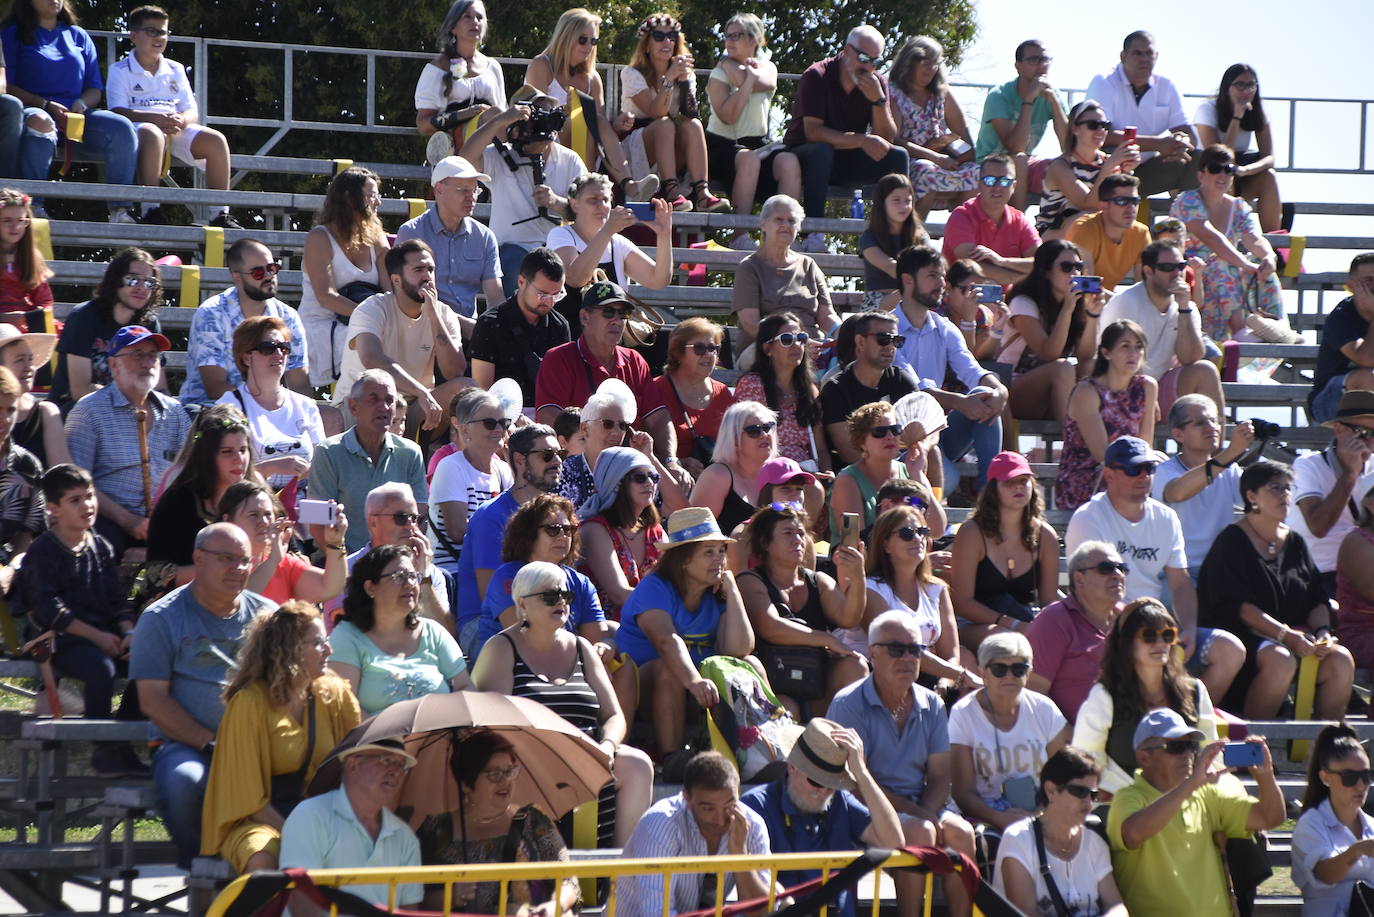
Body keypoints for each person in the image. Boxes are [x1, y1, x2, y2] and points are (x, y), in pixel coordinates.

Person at [472, 560, 652, 846]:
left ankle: (619, 874)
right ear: (522, 603)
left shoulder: (582, 647)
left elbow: (614, 716)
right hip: (526, 760)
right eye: (549, 596)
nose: (561, 603)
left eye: (565, 596)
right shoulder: (501, 648)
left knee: (637, 765)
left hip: (589, 752)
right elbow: (493, 727)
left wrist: (606, 748)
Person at [128, 523, 276, 867]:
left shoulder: (268, 616)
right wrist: (213, 744)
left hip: (257, 745)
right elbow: (152, 701)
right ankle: (202, 866)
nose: (238, 569)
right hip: (187, 746)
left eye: (245, 561)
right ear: (199, 559)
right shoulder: (161, 618)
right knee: (185, 782)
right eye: (227, 558)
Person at [827, 612, 974, 917]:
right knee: (921, 831)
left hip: (922, 803)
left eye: (916, 650)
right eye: (897, 649)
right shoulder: (847, 704)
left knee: (962, 833)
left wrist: (927, 812)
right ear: (873, 653)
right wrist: (922, 816)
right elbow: (855, 785)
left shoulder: (931, 703)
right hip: (865, 809)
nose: (908, 657)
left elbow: (940, 775)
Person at [201, 601, 360, 873]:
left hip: (321, 816)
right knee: (262, 858)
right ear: (290, 650)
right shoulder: (249, 703)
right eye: (319, 642)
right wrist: (300, 837)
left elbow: (356, 762)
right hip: (260, 821)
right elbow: (249, 801)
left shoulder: (334, 693)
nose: (329, 650)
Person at [1198, 460, 1356, 719]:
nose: (1285, 495)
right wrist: (1287, 636)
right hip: (1242, 638)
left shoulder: (1295, 542)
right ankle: (1253, 746)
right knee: (1280, 659)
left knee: (1340, 659)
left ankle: (1327, 748)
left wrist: (1323, 632)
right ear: (1252, 496)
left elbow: (1315, 599)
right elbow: (1241, 608)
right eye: (1275, 488)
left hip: (1295, 638)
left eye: (1287, 488)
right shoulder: (1231, 542)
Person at [19, 464, 138, 776]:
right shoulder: (44, 550)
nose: (87, 505)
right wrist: (97, 637)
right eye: (75, 500)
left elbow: (117, 599)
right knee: (101, 669)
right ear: (54, 509)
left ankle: (124, 741)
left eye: (89, 496)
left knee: (147, 664)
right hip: (59, 640)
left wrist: (127, 632)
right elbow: (48, 609)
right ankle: (103, 748)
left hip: (104, 636)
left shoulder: (100, 546)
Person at [1106, 708, 1283, 917]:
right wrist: (1191, 784)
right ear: (1145, 758)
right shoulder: (1127, 797)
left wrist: (1266, 776)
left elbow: (1270, 817)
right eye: (1176, 747)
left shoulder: (1206, 792)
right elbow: (1133, 834)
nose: (1187, 754)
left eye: (1190, 746)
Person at [616, 507, 756, 759]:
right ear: (683, 559)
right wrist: (694, 681)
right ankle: (673, 757)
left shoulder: (718, 590)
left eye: (722, 551)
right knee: (668, 670)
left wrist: (733, 591)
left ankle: (755, 752)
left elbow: (739, 648)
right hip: (645, 689)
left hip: (700, 690)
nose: (719, 560)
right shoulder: (655, 587)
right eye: (708, 552)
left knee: (749, 663)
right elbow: (666, 641)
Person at [741, 716, 905, 917]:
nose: (825, 791)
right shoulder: (755, 806)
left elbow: (894, 843)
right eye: (817, 781)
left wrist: (861, 773)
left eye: (833, 782)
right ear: (792, 767)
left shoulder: (840, 799)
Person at [1072, 596, 1236, 796]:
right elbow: (1086, 758)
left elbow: (1210, 752)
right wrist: (1122, 793)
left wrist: (1207, 779)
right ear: (1126, 643)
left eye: (1168, 635)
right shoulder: (1105, 695)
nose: (1160, 643)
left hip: (1188, 801)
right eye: (1149, 635)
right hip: (1124, 804)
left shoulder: (1195, 691)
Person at [416, 728, 582, 915]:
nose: (505, 781)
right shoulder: (436, 828)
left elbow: (570, 881)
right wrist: (451, 895)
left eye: (509, 771)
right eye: (494, 774)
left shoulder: (533, 820)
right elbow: (411, 898)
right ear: (465, 783)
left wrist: (554, 906)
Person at [3, 0, 138, 221]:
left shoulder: (78, 35)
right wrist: (44, 103)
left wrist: (82, 104)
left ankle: (120, 209)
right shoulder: (12, 33)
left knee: (122, 128)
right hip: (33, 111)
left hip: (77, 117)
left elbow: (94, 88)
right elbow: (7, 86)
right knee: (40, 120)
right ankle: (33, 207)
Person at [1064, 437, 1206, 647]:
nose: (1144, 476)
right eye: (1134, 469)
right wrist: (1140, 630)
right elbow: (1090, 593)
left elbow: (1181, 583)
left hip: (1153, 625)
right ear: (1109, 475)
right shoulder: (1088, 518)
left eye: (1149, 468)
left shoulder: (1166, 517)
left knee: (1228, 650)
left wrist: (1190, 630)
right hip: (1103, 630)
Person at [65, 324, 191, 556]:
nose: (146, 363)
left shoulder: (174, 412)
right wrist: (129, 521)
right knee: (96, 545)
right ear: (113, 364)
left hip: (164, 518)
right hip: (106, 519)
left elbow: (191, 471)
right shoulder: (89, 411)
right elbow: (78, 483)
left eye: (152, 356)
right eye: (137, 355)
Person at [106, 5, 237, 227]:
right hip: (143, 131)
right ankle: (151, 210)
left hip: (175, 129)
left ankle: (220, 214)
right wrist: (155, 120)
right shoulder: (120, 70)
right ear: (134, 36)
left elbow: (192, 110)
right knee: (152, 133)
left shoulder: (176, 69)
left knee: (216, 140)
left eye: (163, 32)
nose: (159, 37)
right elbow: (118, 112)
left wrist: (182, 120)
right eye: (152, 31)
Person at [891, 244, 1009, 487]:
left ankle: (991, 490)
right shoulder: (888, 329)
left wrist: (1000, 390)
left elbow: (971, 369)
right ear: (907, 280)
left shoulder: (944, 326)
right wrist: (958, 402)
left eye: (942, 276)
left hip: (939, 431)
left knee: (983, 394)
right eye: (933, 276)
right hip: (899, 437)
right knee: (949, 481)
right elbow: (913, 389)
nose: (942, 283)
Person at [780, 25, 908, 241]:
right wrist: (862, 140)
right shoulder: (817, 75)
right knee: (822, 151)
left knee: (897, 156)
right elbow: (813, 133)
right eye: (864, 57)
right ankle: (813, 235)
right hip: (805, 158)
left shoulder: (876, 82)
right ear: (847, 51)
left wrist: (878, 101)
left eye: (875, 61)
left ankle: (896, 238)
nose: (868, 66)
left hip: (846, 158)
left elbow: (886, 138)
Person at [738, 503, 868, 715]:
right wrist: (826, 639)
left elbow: (849, 618)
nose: (797, 539)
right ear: (765, 542)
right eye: (788, 533)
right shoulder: (749, 580)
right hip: (774, 681)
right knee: (788, 708)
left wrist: (858, 575)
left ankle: (850, 739)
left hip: (816, 679)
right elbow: (770, 627)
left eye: (800, 533)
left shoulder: (818, 581)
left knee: (856, 665)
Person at [533, 280, 678, 470]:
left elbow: (658, 418)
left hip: (628, 470)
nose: (617, 320)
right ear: (585, 317)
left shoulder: (635, 361)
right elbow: (549, 417)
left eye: (623, 314)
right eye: (608, 312)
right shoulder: (559, 358)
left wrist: (671, 461)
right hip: (578, 469)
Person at [331, 238, 468, 437]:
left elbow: (455, 371)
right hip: (363, 403)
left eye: (431, 270)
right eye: (419, 270)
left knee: (466, 388)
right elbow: (372, 358)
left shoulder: (442, 314)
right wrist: (422, 392)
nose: (427, 277)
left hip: (413, 406)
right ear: (396, 280)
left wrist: (433, 316)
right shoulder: (372, 308)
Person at [458, 89, 589, 296]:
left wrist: (556, 202)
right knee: (522, 274)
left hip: (556, 249)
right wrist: (497, 122)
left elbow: (587, 215)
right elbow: (462, 163)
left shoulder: (569, 160)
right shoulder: (500, 156)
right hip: (510, 251)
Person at [522, 8, 656, 204]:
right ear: (566, 37)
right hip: (547, 144)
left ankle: (629, 186)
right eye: (583, 40)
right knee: (583, 120)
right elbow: (536, 117)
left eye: (593, 41)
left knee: (597, 120)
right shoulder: (542, 65)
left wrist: (618, 125)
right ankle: (597, 188)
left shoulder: (592, 79)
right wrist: (564, 112)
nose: (588, 46)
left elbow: (598, 127)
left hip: (585, 150)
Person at [617, 750, 772, 917]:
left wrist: (740, 856)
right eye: (708, 808)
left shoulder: (752, 824)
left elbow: (763, 912)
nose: (720, 820)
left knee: (785, 898)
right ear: (687, 799)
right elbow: (656, 912)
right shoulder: (660, 822)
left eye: (729, 804)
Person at [279, 738, 423, 917]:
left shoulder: (405, 836)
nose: (396, 772)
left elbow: (409, 909)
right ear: (353, 765)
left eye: (402, 765)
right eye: (386, 760)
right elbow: (300, 897)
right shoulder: (310, 815)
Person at [456, 424, 564, 658]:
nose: (557, 461)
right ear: (520, 460)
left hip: (543, 614)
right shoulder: (491, 516)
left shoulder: (560, 516)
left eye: (559, 454)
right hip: (485, 624)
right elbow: (492, 598)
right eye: (547, 455)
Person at [330, 543, 471, 717]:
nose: (409, 584)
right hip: (375, 740)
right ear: (370, 587)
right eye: (398, 577)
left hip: (438, 737)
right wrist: (390, 739)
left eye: (413, 576)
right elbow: (344, 707)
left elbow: (465, 686)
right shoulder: (347, 637)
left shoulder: (433, 632)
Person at [948, 631, 1069, 831]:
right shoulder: (963, 714)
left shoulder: (1045, 709)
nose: (1010, 676)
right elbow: (963, 792)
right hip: (986, 816)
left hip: (1043, 810)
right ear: (983, 673)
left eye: (1019, 669)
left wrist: (1037, 816)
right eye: (999, 669)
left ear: (1029, 673)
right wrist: (1001, 819)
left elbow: (1063, 777)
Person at [1169, 143, 1285, 344]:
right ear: (1201, 175)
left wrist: (1269, 256)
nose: (1222, 175)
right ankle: (1239, 330)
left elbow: (1254, 237)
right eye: (1215, 169)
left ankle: (1274, 327)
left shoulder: (1239, 206)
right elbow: (1213, 239)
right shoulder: (1187, 200)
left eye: (1228, 169)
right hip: (1188, 270)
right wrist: (1246, 265)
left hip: (1226, 272)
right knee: (1223, 263)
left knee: (1265, 268)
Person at [993, 746, 1128, 916]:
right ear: (1051, 791)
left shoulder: (1094, 841)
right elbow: (1025, 914)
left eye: (1093, 795)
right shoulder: (1018, 840)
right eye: (1080, 791)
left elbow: (1116, 906)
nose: (1088, 803)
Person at [1098, 240, 1226, 417]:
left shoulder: (1187, 307)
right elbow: (1107, 361)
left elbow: (1191, 358)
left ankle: (1218, 444)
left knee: (1205, 370)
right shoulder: (1126, 302)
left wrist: (1183, 308)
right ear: (1148, 271)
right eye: (1167, 267)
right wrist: (1145, 394)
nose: (1176, 273)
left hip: (1159, 388)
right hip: (1119, 388)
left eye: (1181, 266)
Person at [474, 494, 612, 655]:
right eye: (552, 529)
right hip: (511, 668)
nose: (562, 536)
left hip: (565, 663)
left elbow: (596, 638)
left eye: (568, 530)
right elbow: (524, 637)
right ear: (528, 535)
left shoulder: (581, 583)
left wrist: (604, 648)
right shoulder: (509, 577)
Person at [308, 370, 428, 555]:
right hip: (339, 561)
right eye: (374, 399)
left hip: (395, 561)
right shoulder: (327, 452)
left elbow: (417, 518)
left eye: (389, 400)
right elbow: (317, 522)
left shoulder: (410, 453)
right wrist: (345, 567)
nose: (384, 407)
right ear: (353, 407)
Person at [619, 13, 729, 213]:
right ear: (647, 44)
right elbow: (655, 111)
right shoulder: (631, 73)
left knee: (693, 125)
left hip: (668, 143)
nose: (667, 41)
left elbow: (691, 113)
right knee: (664, 123)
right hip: (638, 144)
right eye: (659, 36)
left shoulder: (683, 71)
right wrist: (669, 79)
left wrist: (684, 81)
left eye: (672, 36)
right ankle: (671, 191)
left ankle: (703, 194)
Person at [181, 239, 311, 405]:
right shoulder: (211, 313)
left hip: (270, 408)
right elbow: (215, 387)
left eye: (272, 268)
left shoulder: (288, 317)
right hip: (213, 411)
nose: (269, 276)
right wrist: (262, 410)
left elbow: (299, 384)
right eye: (258, 272)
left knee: (331, 417)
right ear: (237, 277)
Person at [147, 403, 266, 585]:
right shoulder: (178, 501)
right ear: (207, 457)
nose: (239, 459)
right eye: (227, 452)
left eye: (243, 450)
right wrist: (225, 570)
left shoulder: (259, 495)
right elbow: (158, 574)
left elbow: (290, 554)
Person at [950, 451, 1059, 646]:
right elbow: (962, 603)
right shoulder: (972, 532)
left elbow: (1049, 602)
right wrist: (1012, 624)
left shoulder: (1046, 536)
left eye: (1024, 480)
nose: (1018, 486)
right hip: (973, 624)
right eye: (1009, 481)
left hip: (1025, 620)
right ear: (993, 489)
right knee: (1008, 643)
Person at [297, 167, 393, 387]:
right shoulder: (319, 237)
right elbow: (326, 296)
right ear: (350, 199)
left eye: (378, 196)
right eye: (371, 196)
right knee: (369, 344)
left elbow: (389, 292)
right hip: (321, 326)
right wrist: (369, 317)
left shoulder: (377, 237)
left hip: (364, 324)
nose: (377, 202)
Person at [705, 14, 799, 236]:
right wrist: (746, 79)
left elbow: (766, 82)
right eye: (727, 36)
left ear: (754, 39)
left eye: (736, 35)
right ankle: (740, 235)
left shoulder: (767, 67)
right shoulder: (719, 72)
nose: (729, 41)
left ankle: (785, 235)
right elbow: (728, 117)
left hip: (756, 144)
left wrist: (744, 77)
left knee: (789, 161)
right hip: (722, 146)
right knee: (749, 160)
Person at [858, 506, 972, 688]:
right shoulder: (871, 588)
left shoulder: (937, 589)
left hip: (929, 678)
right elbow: (900, 646)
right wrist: (958, 674)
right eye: (907, 533)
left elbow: (951, 652)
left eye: (922, 532)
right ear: (885, 544)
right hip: (884, 678)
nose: (917, 538)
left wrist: (946, 682)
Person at [547, 172, 672, 336]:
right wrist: (606, 232)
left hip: (610, 339)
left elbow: (659, 280)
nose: (601, 205)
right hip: (570, 336)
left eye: (606, 200)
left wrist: (664, 234)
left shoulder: (617, 242)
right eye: (593, 200)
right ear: (575, 204)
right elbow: (575, 278)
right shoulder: (561, 234)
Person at [215, 315, 328, 496]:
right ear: (246, 358)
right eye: (268, 348)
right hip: (249, 506)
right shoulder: (228, 407)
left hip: (302, 508)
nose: (278, 354)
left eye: (284, 348)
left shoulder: (306, 406)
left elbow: (324, 469)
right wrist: (271, 467)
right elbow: (217, 476)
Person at [999, 240, 1100, 429]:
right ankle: (1072, 444)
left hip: (1052, 393)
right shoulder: (1023, 303)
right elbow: (1049, 354)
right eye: (1066, 267)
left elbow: (1085, 355)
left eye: (1078, 267)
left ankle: (1095, 441)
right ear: (1046, 271)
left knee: (1092, 367)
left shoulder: (1074, 304)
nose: (1074, 274)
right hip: (1012, 393)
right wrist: (1067, 310)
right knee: (1063, 368)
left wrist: (1092, 315)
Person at [1056, 319, 1156, 511]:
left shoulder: (1147, 387)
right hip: (1087, 479)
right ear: (1106, 352)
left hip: (1130, 473)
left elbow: (1145, 446)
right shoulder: (1087, 391)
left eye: (1138, 347)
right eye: (1125, 346)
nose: (1133, 354)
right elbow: (1102, 454)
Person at [730, 193, 840, 367]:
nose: (785, 225)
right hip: (764, 345)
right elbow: (751, 324)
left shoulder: (808, 265)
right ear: (763, 224)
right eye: (779, 219)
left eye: (791, 221)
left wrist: (844, 333)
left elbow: (826, 314)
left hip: (812, 344)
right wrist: (796, 344)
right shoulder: (749, 267)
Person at [1086, 31, 1199, 198]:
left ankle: (1188, 218)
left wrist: (1181, 143)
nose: (1144, 59)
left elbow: (1188, 134)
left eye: (1149, 53)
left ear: (1156, 56)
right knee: (1109, 150)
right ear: (1123, 56)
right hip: (1107, 168)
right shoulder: (1103, 82)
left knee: (1194, 158)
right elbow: (1098, 135)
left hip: (1147, 170)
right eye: (1137, 53)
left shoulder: (1167, 86)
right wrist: (1157, 144)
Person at [1154, 396, 1255, 582]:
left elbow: (1256, 504)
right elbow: (1177, 492)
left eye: (1214, 421)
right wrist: (1231, 453)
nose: (1212, 428)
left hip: (1220, 569)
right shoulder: (1165, 471)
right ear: (1178, 435)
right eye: (1200, 423)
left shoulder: (1229, 469)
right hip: (1176, 572)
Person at [1024, 541, 1127, 724]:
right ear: (1079, 579)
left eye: (1121, 568)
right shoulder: (1053, 622)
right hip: (1072, 743)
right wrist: (1069, 741)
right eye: (1106, 568)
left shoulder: (1129, 618)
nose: (1117, 575)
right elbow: (1032, 696)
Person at [394, 156, 503, 327]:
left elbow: (496, 298)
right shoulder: (411, 232)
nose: (472, 197)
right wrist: (468, 328)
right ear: (439, 189)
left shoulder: (484, 236)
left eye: (475, 190)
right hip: (422, 327)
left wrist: (495, 330)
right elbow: (405, 295)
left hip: (470, 331)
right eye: (463, 190)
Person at [50, 247, 163, 405]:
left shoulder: (149, 324)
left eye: (149, 282)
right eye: (133, 279)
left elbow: (160, 387)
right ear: (116, 280)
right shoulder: (84, 316)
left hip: (130, 409)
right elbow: (80, 390)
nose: (142, 288)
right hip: (77, 410)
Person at [1289, 390, 1374, 597]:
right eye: (1364, 432)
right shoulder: (1308, 465)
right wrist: (1350, 474)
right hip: (1317, 576)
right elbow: (1318, 526)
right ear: (1338, 429)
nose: (1370, 442)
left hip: (1364, 567)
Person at [886, 37, 978, 219]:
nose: (931, 69)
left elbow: (963, 134)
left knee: (977, 172)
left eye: (935, 64)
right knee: (926, 170)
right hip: (910, 161)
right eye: (926, 63)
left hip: (944, 159)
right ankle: (914, 237)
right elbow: (894, 139)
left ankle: (961, 234)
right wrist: (935, 157)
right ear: (910, 62)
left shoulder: (941, 93)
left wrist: (962, 155)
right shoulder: (893, 93)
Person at [468, 247, 571, 406]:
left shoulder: (560, 326)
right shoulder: (490, 324)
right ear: (521, 281)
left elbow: (562, 387)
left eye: (557, 294)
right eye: (542, 294)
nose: (549, 302)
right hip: (500, 418)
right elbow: (482, 392)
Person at [973, 39, 1069, 211]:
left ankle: (1056, 225)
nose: (1040, 65)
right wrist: (1028, 101)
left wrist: (1054, 103)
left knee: (1062, 167)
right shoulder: (999, 95)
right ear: (1018, 66)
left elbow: (1068, 146)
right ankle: (1017, 225)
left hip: (1025, 162)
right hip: (990, 161)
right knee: (1019, 159)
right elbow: (1015, 147)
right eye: (1033, 60)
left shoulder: (1053, 95)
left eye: (1044, 60)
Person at [218, 481, 346, 606]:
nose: (263, 522)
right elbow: (238, 604)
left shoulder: (282, 561)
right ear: (228, 520)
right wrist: (273, 561)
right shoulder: (215, 561)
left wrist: (336, 542)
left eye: (268, 514)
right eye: (253, 515)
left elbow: (330, 587)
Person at [1291, 724, 1374, 915]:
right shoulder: (1310, 824)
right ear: (1325, 777)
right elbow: (1326, 875)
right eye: (1349, 777)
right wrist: (1358, 850)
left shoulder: (1371, 825)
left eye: (1366, 776)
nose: (1360, 785)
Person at [428, 388, 511, 575]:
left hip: (493, 568)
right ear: (465, 429)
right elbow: (458, 533)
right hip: (455, 572)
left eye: (503, 423)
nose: (499, 430)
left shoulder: (504, 470)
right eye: (489, 423)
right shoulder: (451, 466)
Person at [734, 311, 828, 474]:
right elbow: (742, 444)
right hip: (762, 472)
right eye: (787, 339)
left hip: (807, 476)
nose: (796, 345)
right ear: (767, 348)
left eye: (801, 339)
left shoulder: (810, 390)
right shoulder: (752, 385)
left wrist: (828, 474)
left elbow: (820, 449)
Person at [578, 446, 665, 622]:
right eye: (640, 478)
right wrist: (672, 604)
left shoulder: (655, 530)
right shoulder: (594, 530)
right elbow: (618, 594)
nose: (649, 483)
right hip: (608, 632)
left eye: (653, 477)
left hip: (652, 623)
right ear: (616, 482)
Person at [819, 311, 917, 465]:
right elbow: (849, 453)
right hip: (856, 474)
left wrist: (922, 446)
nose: (891, 346)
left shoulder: (900, 380)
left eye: (896, 340)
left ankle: (934, 490)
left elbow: (924, 430)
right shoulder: (835, 389)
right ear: (860, 342)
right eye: (883, 339)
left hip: (897, 463)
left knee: (930, 451)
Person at [1195, 64, 1281, 233]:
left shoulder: (1259, 111)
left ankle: (1274, 242)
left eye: (1251, 85)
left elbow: (1269, 158)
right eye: (1240, 85)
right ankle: (1228, 234)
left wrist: (1246, 170)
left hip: (1239, 171)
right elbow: (1218, 156)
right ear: (1227, 87)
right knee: (1225, 170)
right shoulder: (1207, 109)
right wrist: (1237, 117)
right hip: (1207, 174)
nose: (1246, 91)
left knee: (1268, 176)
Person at [1037, 101, 1139, 241]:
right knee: (1084, 219)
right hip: (1055, 238)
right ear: (1075, 128)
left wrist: (1127, 171)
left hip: (1094, 234)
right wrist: (1109, 168)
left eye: (1105, 126)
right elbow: (1087, 204)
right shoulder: (1060, 166)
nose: (1100, 131)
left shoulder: (1108, 161)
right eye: (1093, 125)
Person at [414, 0, 504, 158]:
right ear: (453, 27)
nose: (475, 22)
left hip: (491, 143)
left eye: (479, 17)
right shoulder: (437, 69)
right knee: (494, 115)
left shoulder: (492, 67)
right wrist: (466, 113)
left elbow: (501, 112)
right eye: (467, 17)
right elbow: (423, 125)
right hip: (455, 147)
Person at [941, 154, 1039, 286]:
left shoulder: (1020, 220)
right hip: (966, 300)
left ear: (1014, 186)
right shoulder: (961, 216)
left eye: (1004, 181)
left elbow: (1042, 262)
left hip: (1010, 300)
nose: (997, 187)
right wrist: (1023, 276)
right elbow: (971, 268)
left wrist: (1002, 261)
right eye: (990, 180)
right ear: (979, 184)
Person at [654, 318, 735, 477]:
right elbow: (636, 448)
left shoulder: (723, 393)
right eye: (699, 348)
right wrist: (676, 463)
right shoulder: (656, 390)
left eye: (713, 348)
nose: (708, 354)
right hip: (667, 483)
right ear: (678, 352)